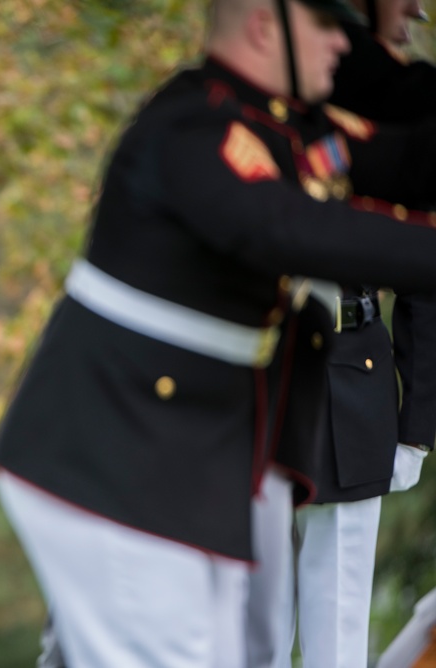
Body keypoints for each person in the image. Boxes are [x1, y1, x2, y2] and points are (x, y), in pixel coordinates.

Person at [0, 0, 436, 665]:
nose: (347, 48)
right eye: (328, 27)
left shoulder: (284, 128)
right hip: (116, 461)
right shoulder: (195, 125)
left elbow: (407, 157)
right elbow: (291, 230)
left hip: (195, 460)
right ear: (264, 24)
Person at [246, 2, 436, 666]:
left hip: (354, 380)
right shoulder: (251, 109)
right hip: (259, 378)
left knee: (338, 628)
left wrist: (416, 425)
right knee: (254, 628)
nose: (416, 10)